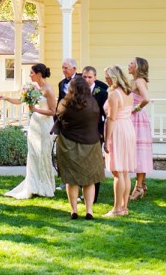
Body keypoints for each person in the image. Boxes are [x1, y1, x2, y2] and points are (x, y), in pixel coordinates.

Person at [0, 63, 57, 199]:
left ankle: (45, 185)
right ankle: (33, 185)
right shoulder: (33, 88)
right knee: (33, 154)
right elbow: (20, 100)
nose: (30, 75)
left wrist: (36, 109)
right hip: (35, 124)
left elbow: (53, 111)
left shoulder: (48, 89)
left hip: (45, 125)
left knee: (43, 154)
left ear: (38, 74)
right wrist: (6, 98)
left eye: (31, 72)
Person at [55, 76, 105, 219]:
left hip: (69, 144)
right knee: (89, 180)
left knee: (71, 180)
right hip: (91, 144)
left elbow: (58, 117)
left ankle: (74, 210)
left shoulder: (65, 103)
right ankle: (89, 210)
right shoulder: (93, 103)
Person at [102, 65, 136, 217]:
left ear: (114, 77)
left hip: (118, 130)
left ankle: (116, 209)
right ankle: (124, 207)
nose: (106, 80)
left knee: (118, 171)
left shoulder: (114, 95)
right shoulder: (128, 92)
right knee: (125, 172)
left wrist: (107, 139)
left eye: (107, 77)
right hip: (128, 128)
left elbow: (111, 118)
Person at [128, 56, 153, 200]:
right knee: (134, 150)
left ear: (137, 67)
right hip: (132, 119)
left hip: (137, 119)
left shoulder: (139, 81)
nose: (129, 65)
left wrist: (134, 109)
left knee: (139, 151)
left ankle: (138, 187)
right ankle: (142, 184)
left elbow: (146, 98)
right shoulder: (132, 81)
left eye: (131, 63)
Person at [83, 65, 108, 205]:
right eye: (85, 77)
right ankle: (83, 192)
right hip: (80, 133)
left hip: (96, 133)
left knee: (94, 164)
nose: (87, 80)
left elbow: (106, 115)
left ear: (95, 78)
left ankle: (94, 196)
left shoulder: (102, 93)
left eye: (90, 77)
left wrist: (103, 134)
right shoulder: (77, 91)